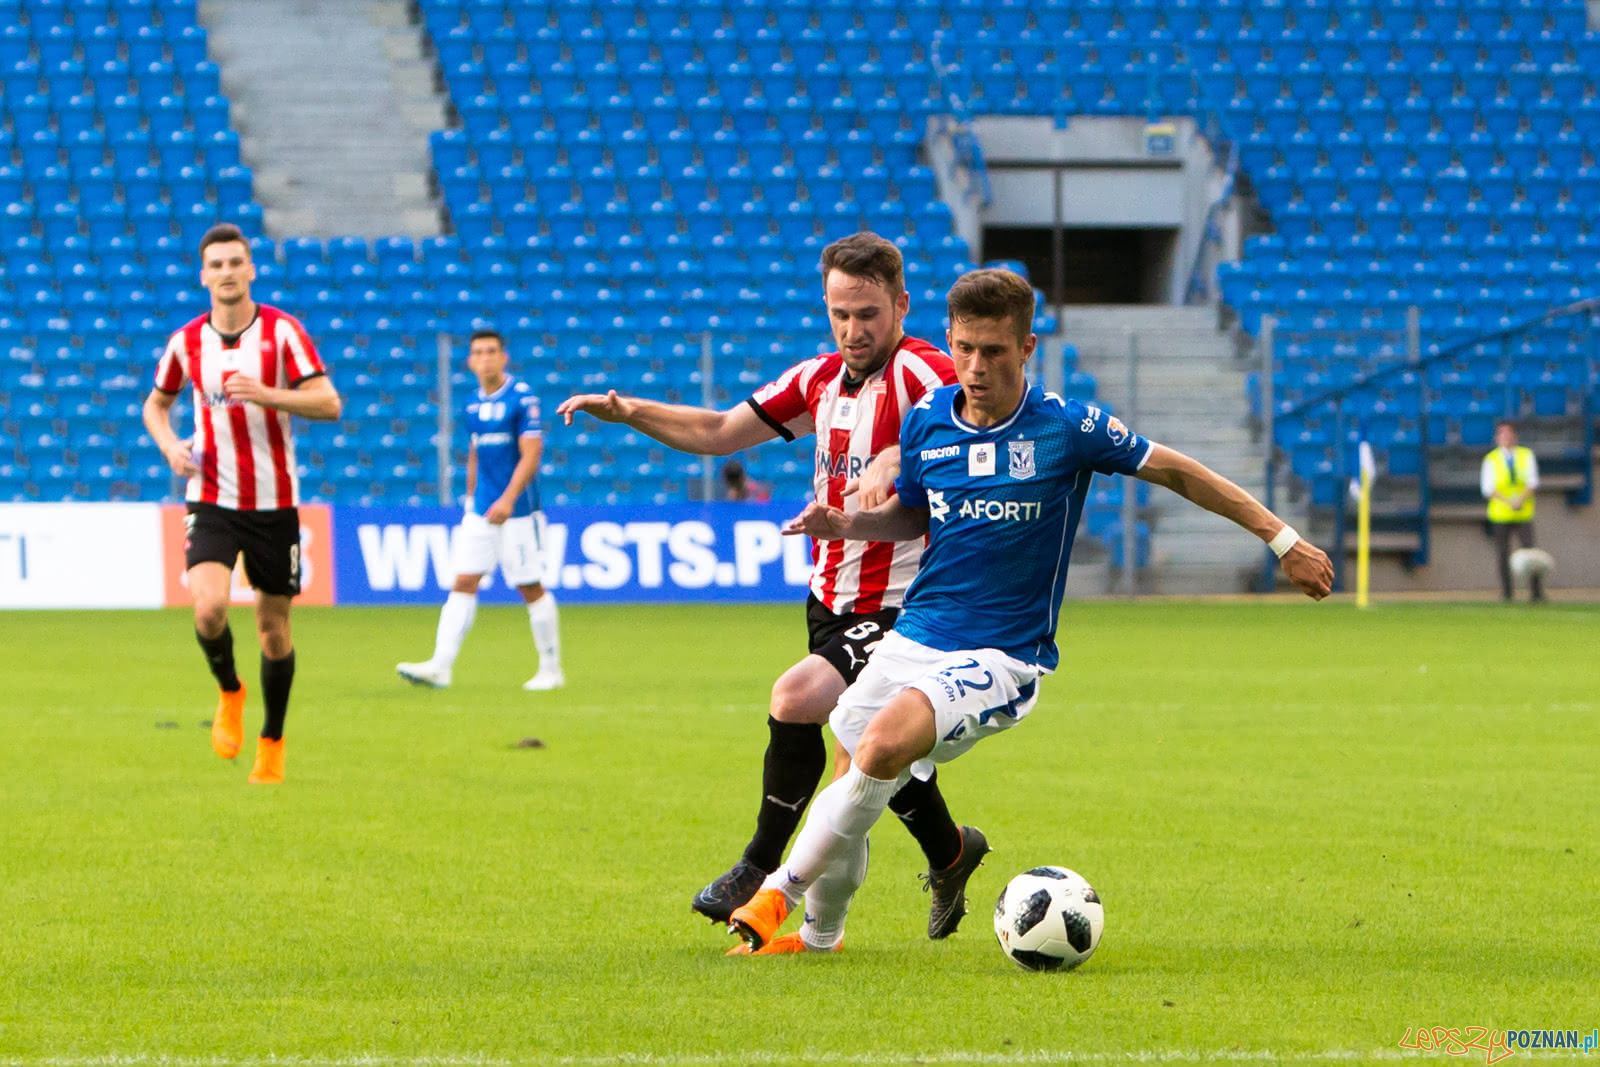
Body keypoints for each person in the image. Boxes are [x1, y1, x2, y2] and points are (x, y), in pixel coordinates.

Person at [727, 268, 1333, 955]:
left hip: (1001, 654)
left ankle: (779, 890)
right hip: (916, 634)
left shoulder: (1066, 428)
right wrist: (846, 525)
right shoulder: (930, 421)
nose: (975, 367)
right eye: (964, 349)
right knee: (853, 772)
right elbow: (914, 516)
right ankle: (819, 936)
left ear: (1027, 347)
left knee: (883, 744)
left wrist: (1282, 539)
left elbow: (1180, 470)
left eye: (993, 351)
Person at [557, 232, 986, 939]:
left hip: (905, 604)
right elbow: (722, 430)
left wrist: (892, 457)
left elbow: (963, 421)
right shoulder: (817, 379)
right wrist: (632, 412)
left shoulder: (927, 372)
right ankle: (948, 850)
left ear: (901, 305)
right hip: (828, 601)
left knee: (802, 704)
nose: (854, 329)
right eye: (841, 313)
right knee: (867, 765)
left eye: (869, 313)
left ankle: (762, 874)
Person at [141, 222, 342, 785]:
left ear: (250, 269)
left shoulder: (283, 333)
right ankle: (230, 692)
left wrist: (268, 394)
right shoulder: (186, 342)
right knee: (207, 609)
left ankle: (272, 740)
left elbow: (329, 403)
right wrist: (168, 445)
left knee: (274, 631)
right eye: (217, 265)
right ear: (203, 275)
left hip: (275, 504)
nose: (227, 273)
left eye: (236, 263)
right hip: (211, 496)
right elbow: (155, 405)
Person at [396, 329, 563, 690]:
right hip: (481, 509)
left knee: (529, 585)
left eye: (491, 351)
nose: (485, 358)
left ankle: (551, 669)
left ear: (504, 357)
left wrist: (508, 498)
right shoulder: (471, 403)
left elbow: (531, 453)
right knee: (464, 580)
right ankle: (441, 666)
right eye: (478, 353)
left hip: (518, 510)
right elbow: (475, 451)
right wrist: (471, 498)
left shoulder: (522, 399)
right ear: (470, 361)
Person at [1481, 419, 1543, 602]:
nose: (1506, 437)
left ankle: (1536, 592)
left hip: (1523, 512)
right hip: (1501, 513)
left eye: (1509, 433)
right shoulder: (1491, 459)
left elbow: (1533, 481)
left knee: (1530, 552)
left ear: (1515, 436)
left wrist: (1520, 499)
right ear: (1497, 437)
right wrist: (1508, 501)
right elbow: (1487, 487)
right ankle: (1507, 593)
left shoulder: (1526, 455)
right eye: (1502, 433)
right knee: (1502, 553)